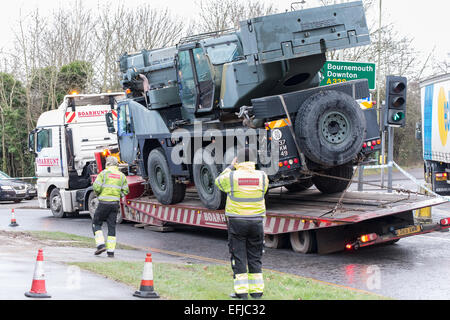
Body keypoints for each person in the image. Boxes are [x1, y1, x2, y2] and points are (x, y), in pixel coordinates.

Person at [215, 154, 269, 299]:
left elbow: (218, 182)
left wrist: (231, 166)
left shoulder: (232, 176)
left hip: (237, 222)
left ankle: (241, 293)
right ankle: (257, 293)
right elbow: (263, 191)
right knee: (255, 257)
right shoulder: (262, 176)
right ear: (253, 161)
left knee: (238, 257)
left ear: (238, 161)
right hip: (257, 221)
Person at [92, 156, 129, 257]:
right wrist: (117, 195)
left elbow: (96, 187)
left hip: (103, 203)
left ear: (107, 164)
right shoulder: (121, 176)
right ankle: (111, 252)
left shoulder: (104, 174)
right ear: (116, 164)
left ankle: (100, 245)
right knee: (111, 227)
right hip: (114, 204)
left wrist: (99, 194)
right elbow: (126, 190)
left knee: (96, 223)